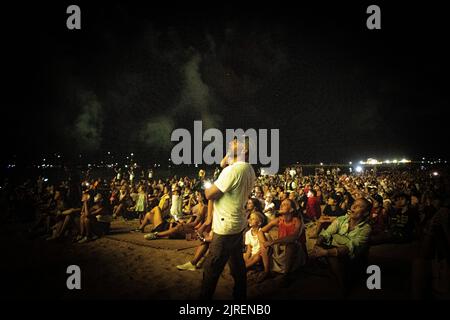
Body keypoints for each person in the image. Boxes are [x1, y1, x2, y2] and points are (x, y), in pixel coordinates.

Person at [200, 137, 256, 300]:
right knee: (237, 265)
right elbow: (223, 163)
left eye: (234, 144)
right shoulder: (249, 169)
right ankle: (240, 297)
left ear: (244, 150)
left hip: (225, 227)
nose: (230, 145)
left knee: (211, 268)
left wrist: (208, 185)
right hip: (237, 223)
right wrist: (229, 155)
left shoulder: (232, 171)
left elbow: (209, 194)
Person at [310, 197, 372, 295]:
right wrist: (317, 245)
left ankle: (342, 284)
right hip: (337, 250)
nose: (354, 206)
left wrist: (326, 252)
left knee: (331, 255)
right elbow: (326, 233)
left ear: (365, 213)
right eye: (354, 204)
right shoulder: (341, 219)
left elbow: (350, 248)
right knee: (323, 246)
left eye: (359, 206)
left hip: (354, 257)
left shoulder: (366, 229)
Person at [257, 199, 306, 285]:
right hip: (281, 246)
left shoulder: (297, 221)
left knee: (291, 245)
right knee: (264, 241)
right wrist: (264, 243)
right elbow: (260, 231)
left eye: (285, 204)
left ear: (291, 209)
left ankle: (286, 275)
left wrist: (273, 242)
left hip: (296, 251)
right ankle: (266, 271)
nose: (281, 206)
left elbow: (294, 237)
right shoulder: (279, 220)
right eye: (281, 204)